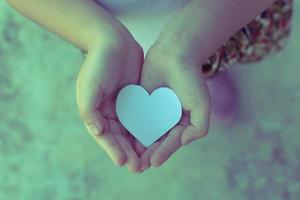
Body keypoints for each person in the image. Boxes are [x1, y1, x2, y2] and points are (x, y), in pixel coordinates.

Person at [4, 0, 293, 173]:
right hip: (111, 20)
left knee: (201, 64)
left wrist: (187, 43)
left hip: (227, 16)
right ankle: (193, 78)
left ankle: (200, 73)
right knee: (150, 67)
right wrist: (99, 37)